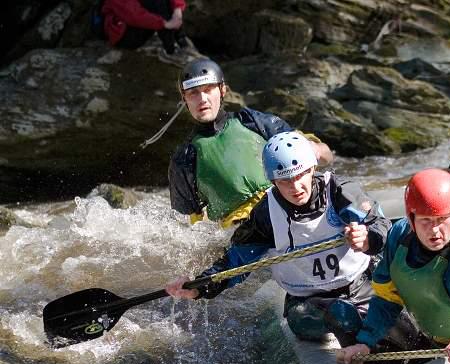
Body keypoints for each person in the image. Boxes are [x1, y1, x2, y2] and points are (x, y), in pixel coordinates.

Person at [166, 132, 390, 346]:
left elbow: (381, 224)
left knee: (399, 326)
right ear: (273, 181)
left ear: (312, 168)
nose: (295, 187)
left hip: (360, 286)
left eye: (300, 175)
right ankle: (361, 359)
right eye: (285, 181)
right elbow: (235, 263)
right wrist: (199, 287)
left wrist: (368, 239)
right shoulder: (266, 213)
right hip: (306, 305)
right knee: (342, 314)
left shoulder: (340, 191)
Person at [337, 169, 450, 364]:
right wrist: (365, 342)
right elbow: (387, 299)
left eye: (442, 219)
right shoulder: (399, 236)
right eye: (426, 220)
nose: (435, 230)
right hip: (434, 342)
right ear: (411, 219)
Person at [169, 58, 333, 228]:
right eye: (193, 93)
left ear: (222, 90)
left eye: (208, 89)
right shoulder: (184, 158)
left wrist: (315, 149)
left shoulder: (253, 121)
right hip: (243, 230)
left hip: (285, 207)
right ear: (184, 98)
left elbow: (327, 155)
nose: (202, 99)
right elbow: (186, 224)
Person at [101, 0, 200, 66]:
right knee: (157, 2)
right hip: (123, 35)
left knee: (163, 3)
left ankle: (181, 41)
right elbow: (133, 15)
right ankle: (170, 51)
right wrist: (164, 24)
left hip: (138, 24)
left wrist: (177, 10)